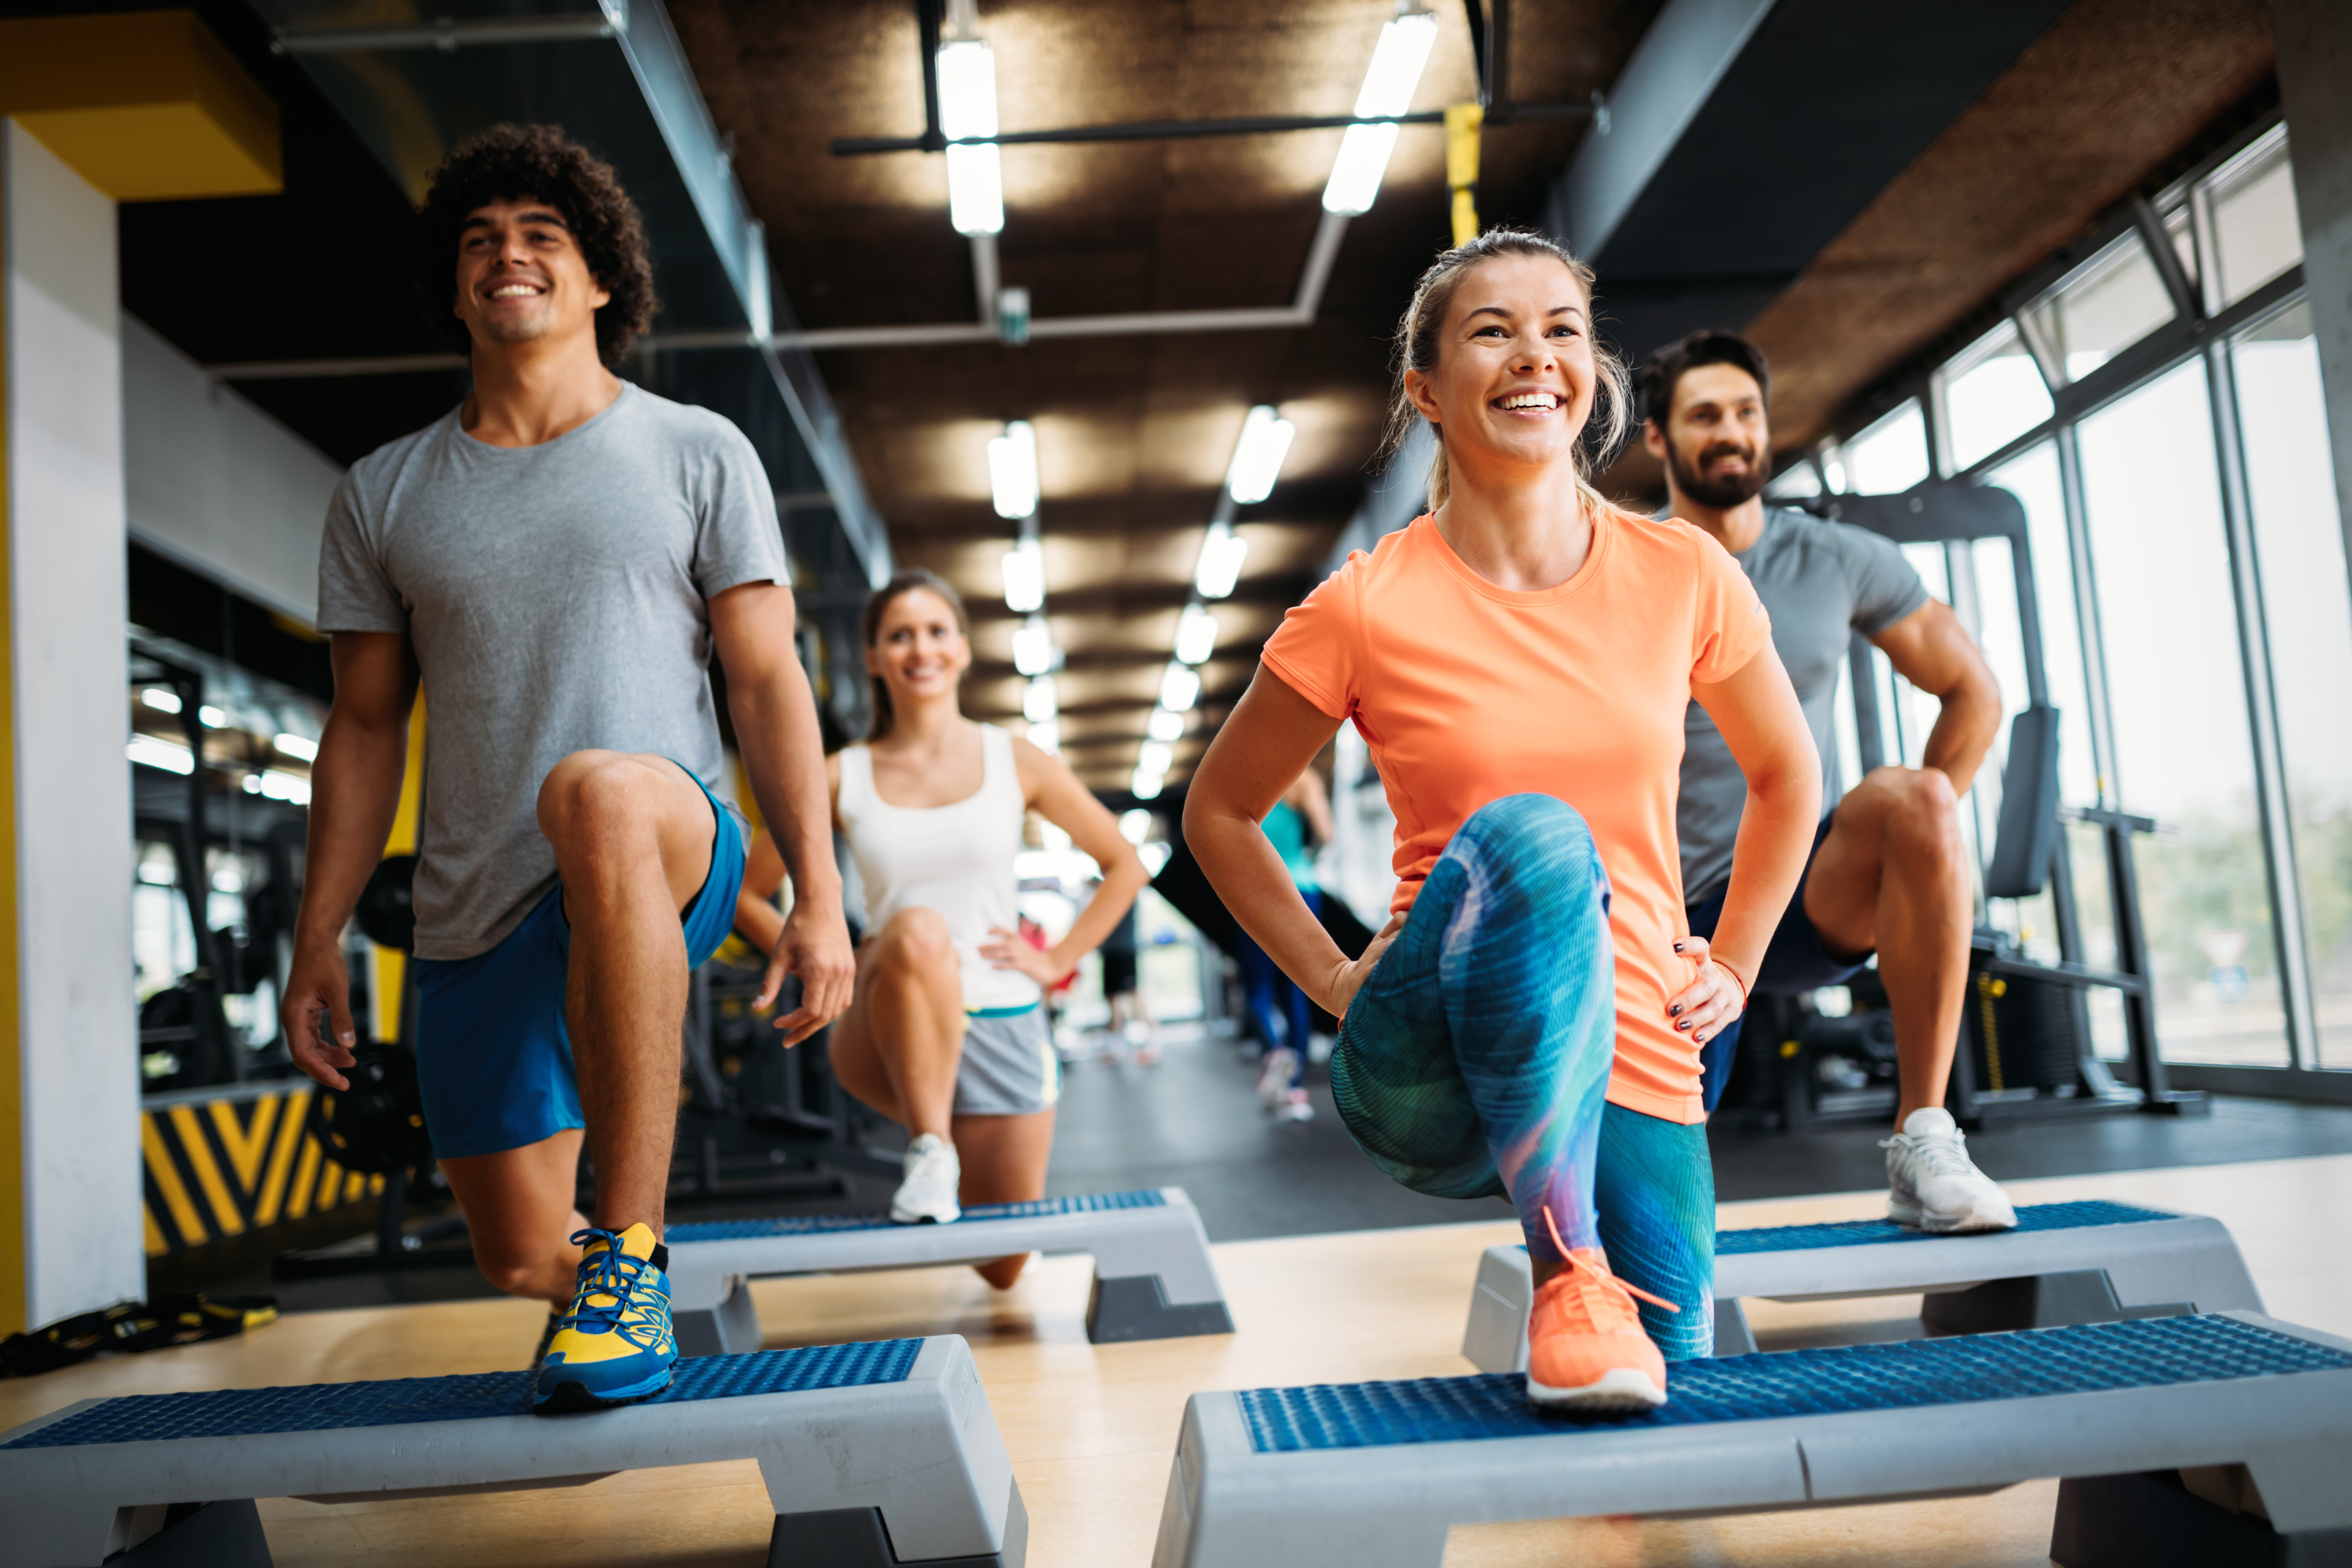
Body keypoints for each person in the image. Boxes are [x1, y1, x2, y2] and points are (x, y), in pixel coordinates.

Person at [1186, 229, 1820, 1412]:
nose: (1532, 354)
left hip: (1632, 1033)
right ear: (1424, 389)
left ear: (1591, 373)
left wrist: (1732, 961)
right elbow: (1218, 812)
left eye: (1559, 329)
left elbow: (1788, 775)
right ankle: (1564, 1271)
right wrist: (1331, 980)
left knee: (1662, 1382)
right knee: (1535, 834)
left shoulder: (1681, 573)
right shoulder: (1366, 604)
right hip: (1433, 1055)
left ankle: (1595, 1322)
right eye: (1491, 330)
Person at [282, 125, 855, 1413]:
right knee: (515, 1252)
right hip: (473, 899)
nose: (509, 254)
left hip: (664, 840)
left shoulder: (696, 450)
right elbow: (365, 728)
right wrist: (319, 934)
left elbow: (765, 678)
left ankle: (636, 1257)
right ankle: (601, 1273)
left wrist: (818, 894)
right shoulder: (383, 495)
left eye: (543, 234)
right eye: (480, 239)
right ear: (454, 287)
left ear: (601, 280)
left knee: (594, 790)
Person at [1639, 329, 2016, 1234]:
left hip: (1798, 885)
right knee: (1650, 1212)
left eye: (1744, 413)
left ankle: (1924, 1139)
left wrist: (1924, 855)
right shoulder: (1624, 563)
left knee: (1917, 800)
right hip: (1661, 907)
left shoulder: (1837, 558)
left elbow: (1973, 691)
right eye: (1703, 416)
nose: (1729, 432)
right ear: (1658, 438)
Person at [765, 569, 1150, 1280]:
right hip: (887, 1009)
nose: (921, 649)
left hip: (1001, 1013)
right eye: (899, 636)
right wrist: (828, 960)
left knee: (1003, 1266)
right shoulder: (842, 773)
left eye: (937, 631)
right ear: (874, 658)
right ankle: (930, 1147)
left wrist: (1056, 958)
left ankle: (940, 1155)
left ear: (964, 650)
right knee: (917, 929)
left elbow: (1123, 863)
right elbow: (747, 888)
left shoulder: (1014, 758)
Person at [1245, 768, 1333, 1122]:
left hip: (1258, 891)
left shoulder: (1249, 777)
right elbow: (1326, 833)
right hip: (1302, 887)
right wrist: (1308, 856)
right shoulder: (1305, 782)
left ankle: (1275, 1051)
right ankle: (1294, 1086)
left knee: (1259, 990)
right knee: (1298, 989)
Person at [1094, 892, 1161, 1066]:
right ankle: (1116, 1048)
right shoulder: (1105, 890)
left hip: (1124, 951)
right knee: (1114, 1002)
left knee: (1135, 998)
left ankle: (1152, 1046)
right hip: (1111, 952)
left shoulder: (1125, 887)